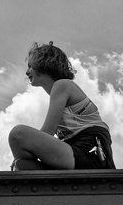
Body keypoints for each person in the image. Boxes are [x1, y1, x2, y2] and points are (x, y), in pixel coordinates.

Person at [8, 41, 115, 171]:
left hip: (90, 152)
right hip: (75, 153)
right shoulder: (59, 90)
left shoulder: (62, 85)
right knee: (22, 164)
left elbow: (48, 132)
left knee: (18, 135)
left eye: (30, 66)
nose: (27, 72)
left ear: (43, 63)